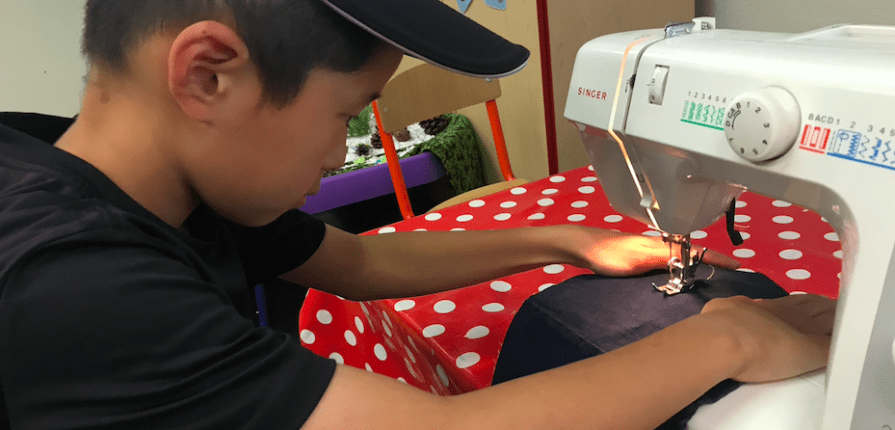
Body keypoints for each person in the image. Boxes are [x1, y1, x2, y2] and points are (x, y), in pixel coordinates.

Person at [0, 0, 835, 429]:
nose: (343, 152)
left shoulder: (135, 178)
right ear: (208, 74)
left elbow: (361, 266)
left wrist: (561, 238)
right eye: (350, 112)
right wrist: (728, 335)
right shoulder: (72, 286)